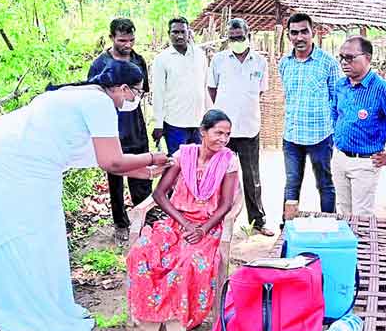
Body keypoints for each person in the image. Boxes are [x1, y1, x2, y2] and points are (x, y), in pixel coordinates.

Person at [0, 62, 171, 331]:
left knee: (19, 233)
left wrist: (147, 171)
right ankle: (21, 312)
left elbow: (109, 162)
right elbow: (111, 161)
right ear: (123, 88)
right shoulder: (99, 103)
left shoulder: (81, 95)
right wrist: (151, 158)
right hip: (11, 161)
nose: (136, 101)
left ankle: (4, 310)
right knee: (33, 235)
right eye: (137, 93)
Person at [126, 110, 239, 331]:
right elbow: (159, 194)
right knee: (141, 252)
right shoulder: (183, 156)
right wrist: (185, 224)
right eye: (218, 132)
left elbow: (226, 203)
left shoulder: (228, 160)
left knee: (190, 262)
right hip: (177, 222)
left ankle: (179, 316)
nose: (223, 139)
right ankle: (152, 314)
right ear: (203, 131)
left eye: (227, 134)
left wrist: (202, 229)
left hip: (208, 226)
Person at [332, 36, 386, 216]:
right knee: (343, 211)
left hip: (365, 162)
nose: (344, 62)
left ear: (367, 58)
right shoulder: (340, 86)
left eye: (350, 57)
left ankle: (363, 245)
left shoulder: (382, 89)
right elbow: (335, 113)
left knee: (362, 215)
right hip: (340, 159)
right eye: (341, 57)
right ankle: (348, 244)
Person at [207, 18, 274, 236]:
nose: (236, 40)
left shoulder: (260, 62)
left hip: (249, 126)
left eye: (240, 37)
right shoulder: (218, 60)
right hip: (223, 130)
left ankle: (258, 220)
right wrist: (225, 110)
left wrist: (243, 105)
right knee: (218, 173)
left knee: (251, 176)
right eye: (233, 37)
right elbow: (212, 88)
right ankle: (214, 218)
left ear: (248, 35)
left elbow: (260, 91)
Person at [88, 18, 152, 243]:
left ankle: (144, 217)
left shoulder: (139, 60)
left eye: (132, 40)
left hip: (135, 125)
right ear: (112, 38)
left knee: (142, 173)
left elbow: (143, 91)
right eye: (122, 40)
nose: (128, 44)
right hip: (110, 127)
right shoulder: (100, 64)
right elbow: (92, 95)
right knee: (115, 175)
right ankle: (120, 223)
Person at [279, 13, 341, 218]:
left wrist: (332, 130)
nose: (299, 37)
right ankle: (287, 228)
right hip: (292, 136)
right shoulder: (285, 63)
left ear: (313, 32)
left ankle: (329, 224)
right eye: (294, 33)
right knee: (291, 184)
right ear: (289, 36)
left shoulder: (328, 63)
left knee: (325, 183)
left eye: (304, 31)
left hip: (320, 136)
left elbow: (337, 99)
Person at [152, 17, 211, 155]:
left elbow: (205, 87)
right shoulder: (162, 59)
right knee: (178, 165)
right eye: (175, 32)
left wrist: (209, 117)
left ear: (188, 33)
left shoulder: (200, 55)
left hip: (198, 122)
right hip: (174, 124)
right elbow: (158, 93)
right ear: (169, 34)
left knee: (198, 163)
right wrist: (158, 124)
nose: (179, 36)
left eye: (182, 32)